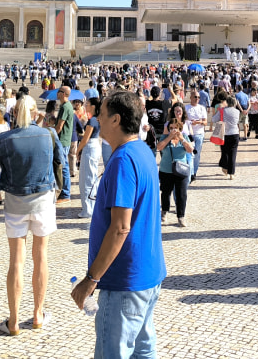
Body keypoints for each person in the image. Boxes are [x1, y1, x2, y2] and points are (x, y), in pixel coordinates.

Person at [70, 91, 166, 357]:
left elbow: (120, 227)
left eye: (100, 112)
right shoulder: (142, 151)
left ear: (115, 120)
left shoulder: (123, 160)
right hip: (148, 272)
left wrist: (91, 279)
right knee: (144, 350)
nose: (95, 116)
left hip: (124, 280)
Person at [0, 96, 59, 335]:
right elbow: (59, 162)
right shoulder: (48, 134)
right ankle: (37, 314)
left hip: (15, 201)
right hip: (42, 199)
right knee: (40, 256)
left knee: (16, 261)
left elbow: (2, 165)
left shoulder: (5, 139)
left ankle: (13, 320)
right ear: (35, 112)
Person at [157, 118, 194, 227]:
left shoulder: (185, 137)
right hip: (166, 170)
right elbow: (159, 147)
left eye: (175, 128)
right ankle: (164, 212)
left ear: (180, 128)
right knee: (165, 192)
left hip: (181, 171)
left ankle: (181, 216)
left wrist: (182, 138)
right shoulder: (164, 137)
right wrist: (169, 137)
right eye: (171, 128)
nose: (173, 130)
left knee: (181, 194)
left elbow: (190, 150)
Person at [76, 97, 102, 218]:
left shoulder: (92, 121)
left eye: (87, 104)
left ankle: (88, 209)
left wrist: (78, 150)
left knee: (87, 179)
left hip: (90, 147)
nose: (85, 106)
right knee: (90, 177)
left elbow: (85, 139)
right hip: (94, 146)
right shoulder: (97, 119)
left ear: (93, 106)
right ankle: (90, 206)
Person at [55, 86, 75, 203]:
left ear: (63, 94)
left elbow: (60, 126)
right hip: (65, 139)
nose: (57, 93)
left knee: (63, 167)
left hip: (62, 140)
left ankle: (65, 194)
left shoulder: (65, 107)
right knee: (64, 166)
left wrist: (53, 135)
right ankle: (64, 192)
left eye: (59, 91)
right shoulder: (66, 106)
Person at [184, 91, 207, 181]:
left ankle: (194, 172)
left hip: (199, 134)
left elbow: (205, 122)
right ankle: (191, 172)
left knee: (196, 155)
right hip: (189, 135)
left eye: (198, 97)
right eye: (195, 97)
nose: (197, 99)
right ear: (190, 97)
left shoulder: (202, 108)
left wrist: (198, 122)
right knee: (189, 154)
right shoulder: (186, 108)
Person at [216, 97, 241, 180]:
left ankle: (225, 167)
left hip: (224, 133)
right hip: (234, 133)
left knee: (224, 151)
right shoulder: (237, 111)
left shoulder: (222, 110)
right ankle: (231, 173)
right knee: (233, 153)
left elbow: (214, 119)